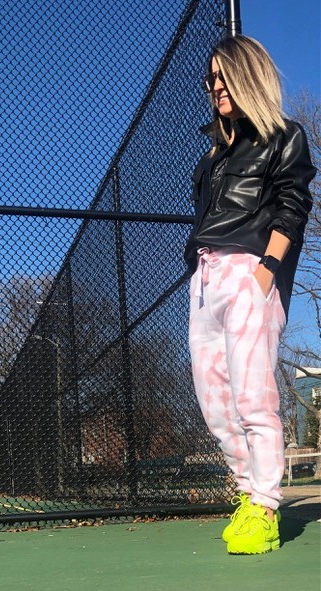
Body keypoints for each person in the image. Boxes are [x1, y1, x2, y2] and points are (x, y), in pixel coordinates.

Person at [184, 35, 316, 555]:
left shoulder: (285, 135)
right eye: (211, 79)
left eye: (223, 76)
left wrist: (266, 271)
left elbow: (293, 203)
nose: (215, 86)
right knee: (213, 400)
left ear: (246, 74)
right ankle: (247, 494)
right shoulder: (214, 154)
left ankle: (264, 505)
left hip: (249, 273)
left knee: (253, 397)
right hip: (205, 279)